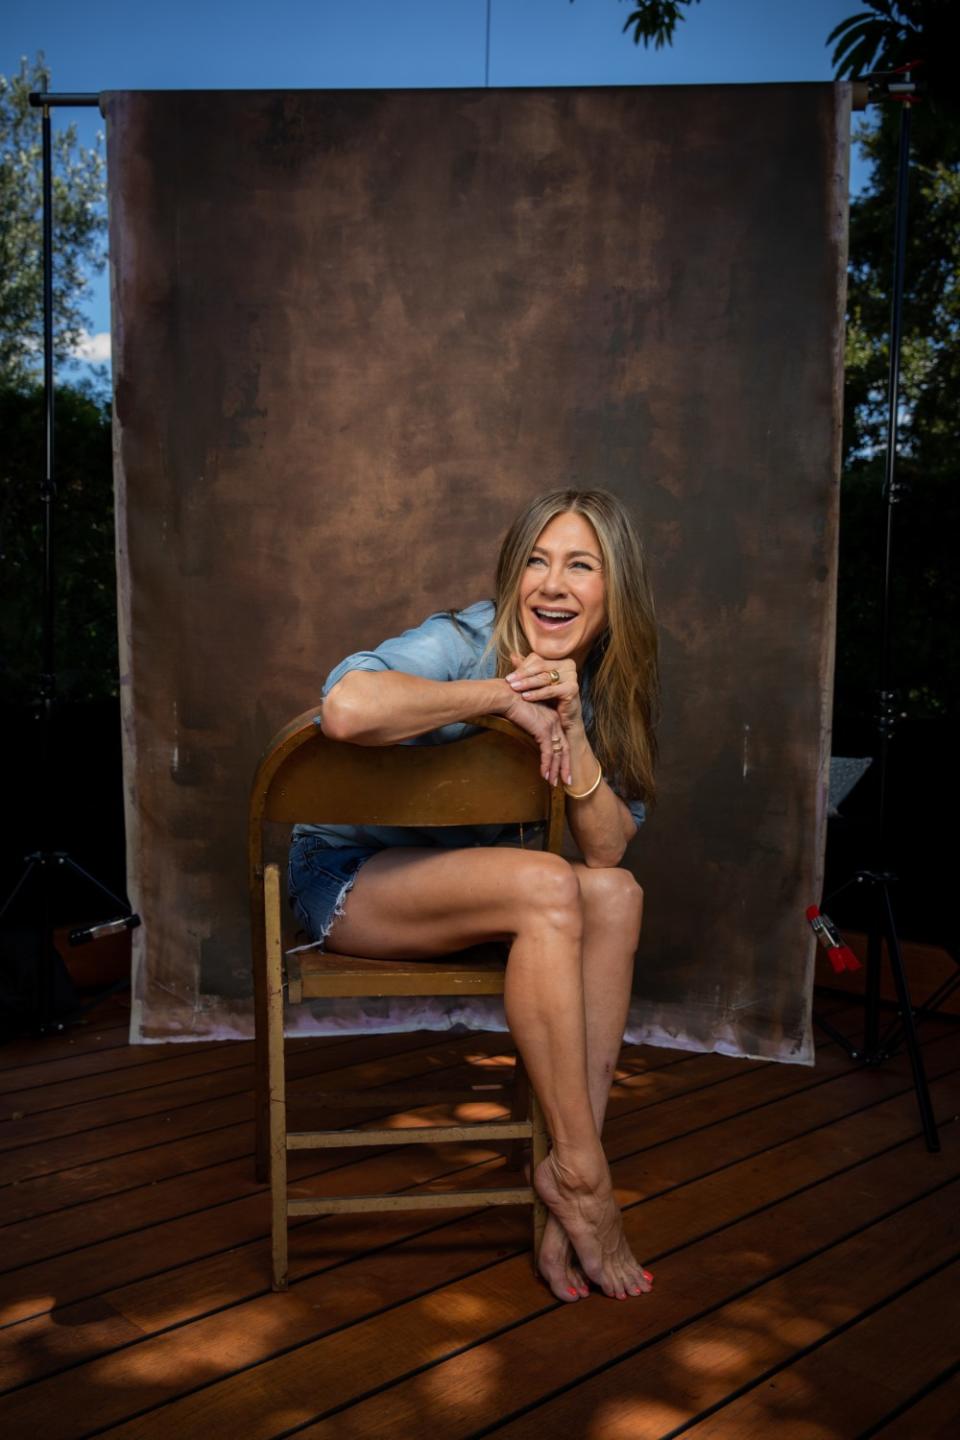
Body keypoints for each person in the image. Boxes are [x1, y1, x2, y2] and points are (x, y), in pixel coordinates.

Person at [289, 488, 660, 1303]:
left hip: (484, 894)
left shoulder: (608, 681)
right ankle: (588, 1181)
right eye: (535, 559)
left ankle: (569, 1175)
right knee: (548, 886)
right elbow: (346, 709)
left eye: (580, 565)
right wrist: (505, 697)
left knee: (616, 894)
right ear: (511, 573)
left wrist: (573, 722)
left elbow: (605, 846)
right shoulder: (462, 641)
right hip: (347, 884)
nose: (552, 584)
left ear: (614, 588)